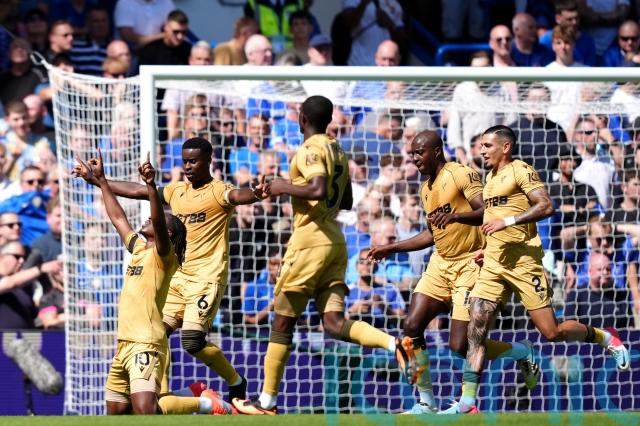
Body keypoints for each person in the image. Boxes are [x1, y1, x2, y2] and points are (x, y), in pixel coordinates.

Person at [231, 95, 414, 415]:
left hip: (310, 243)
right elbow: (345, 200)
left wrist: (283, 186)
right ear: (329, 120)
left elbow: (316, 189)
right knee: (333, 322)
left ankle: (267, 401)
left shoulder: (311, 149)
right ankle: (394, 344)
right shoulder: (338, 150)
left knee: (282, 322)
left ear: (302, 119)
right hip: (335, 242)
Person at [442, 125, 630, 414]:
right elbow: (492, 220)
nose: (482, 150)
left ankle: (605, 338)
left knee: (551, 332)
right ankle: (467, 402)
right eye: (481, 146)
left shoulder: (521, 170)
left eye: (488, 145)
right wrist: (487, 247)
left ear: (505, 147)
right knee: (475, 328)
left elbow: (546, 206)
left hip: (524, 263)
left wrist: (508, 222)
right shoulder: (489, 179)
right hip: (493, 264)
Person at [73, 137, 268, 402]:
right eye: (185, 161)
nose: (187, 166)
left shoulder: (219, 191)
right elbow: (138, 191)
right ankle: (160, 393)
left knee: (192, 341)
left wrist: (255, 194)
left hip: (205, 279)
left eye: (193, 161)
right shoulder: (177, 192)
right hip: (176, 278)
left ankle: (236, 381)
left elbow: (237, 196)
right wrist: (99, 181)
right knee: (157, 334)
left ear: (208, 160)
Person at [368, 130, 539, 414]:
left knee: (460, 345)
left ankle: (521, 352)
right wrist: (392, 247)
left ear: (436, 151)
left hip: (470, 264)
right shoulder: (425, 189)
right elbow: (432, 233)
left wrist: (457, 216)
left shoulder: (461, 174)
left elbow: (486, 212)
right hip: (440, 264)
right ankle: (426, 402)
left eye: (419, 152)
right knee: (412, 326)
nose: (414, 158)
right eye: (412, 153)